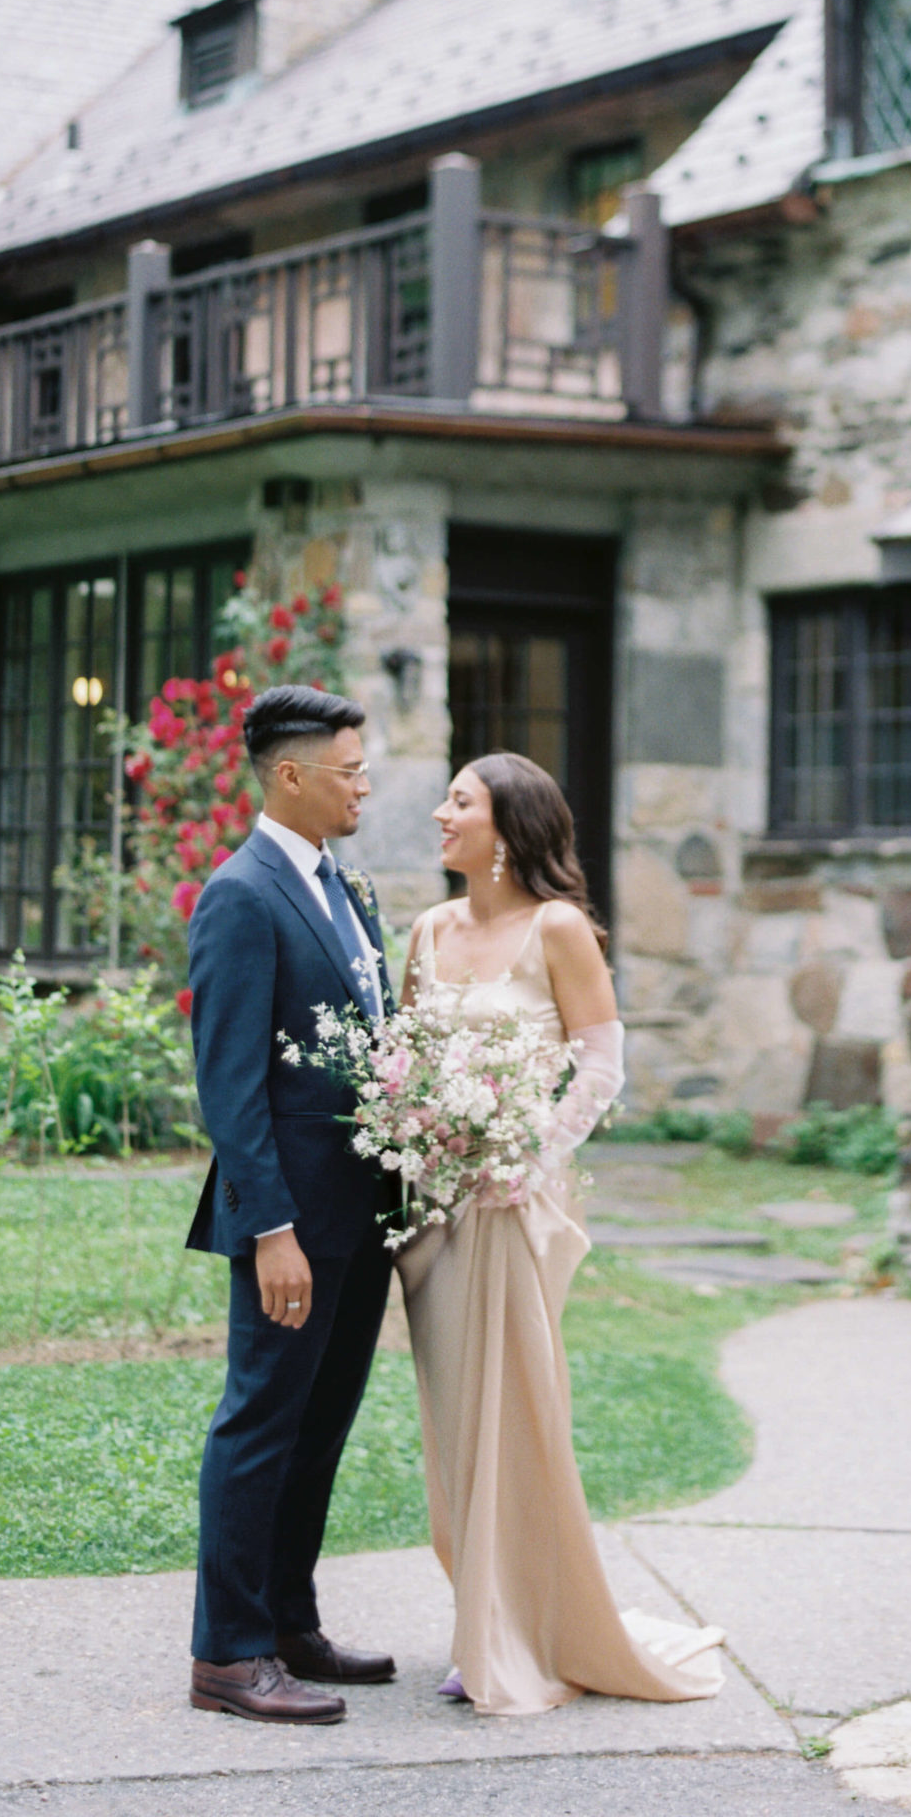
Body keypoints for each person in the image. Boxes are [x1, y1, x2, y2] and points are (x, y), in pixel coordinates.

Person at [397, 751, 725, 1717]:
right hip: (436, 1208)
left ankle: (521, 1630)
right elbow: (408, 1060)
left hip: (519, 1202)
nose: (440, 813)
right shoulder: (426, 930)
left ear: (510, 825)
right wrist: (418, 1131)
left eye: (460, 801)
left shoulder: (559, 929)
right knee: (451, 1422)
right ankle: (482, 1615)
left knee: (521, 1411)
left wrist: (526, 1152)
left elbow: (601, 1063)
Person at [183, 683, 399, 1725]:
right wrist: (272, 1229)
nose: (365, 785)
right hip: (290, 1228)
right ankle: (227, 1654)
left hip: (359, 1216)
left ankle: (288, 1621)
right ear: (292, 774)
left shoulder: (342, 888)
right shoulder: (240, 893)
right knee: (263, 1422)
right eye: (351, 770)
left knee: (321, 1424)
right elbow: (231, 1085)